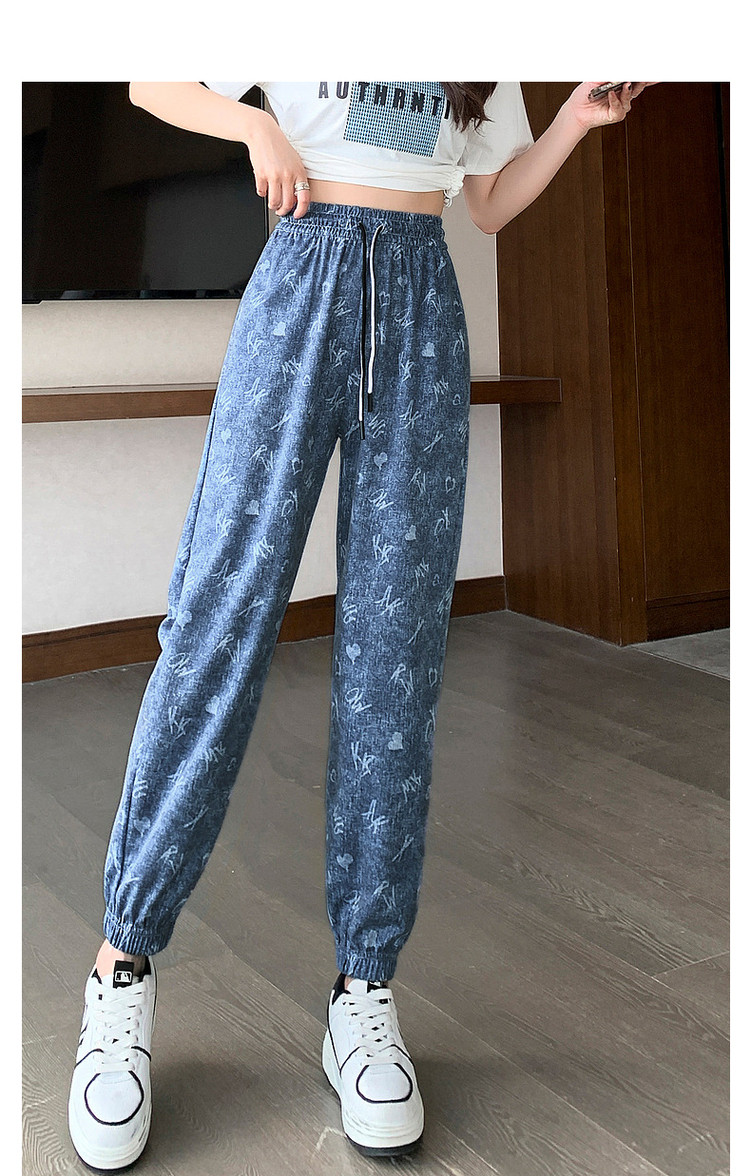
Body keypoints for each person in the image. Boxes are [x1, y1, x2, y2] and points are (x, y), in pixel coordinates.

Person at [67, 79, 654, 1169]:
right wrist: (252, 121)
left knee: (397, 662)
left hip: (425, 299)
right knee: (218, 626)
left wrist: (574, 123)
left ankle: (364, 989)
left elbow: (486, 202)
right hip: (302, 278)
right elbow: (151, 78)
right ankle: (122, 966)